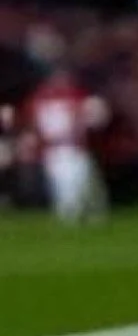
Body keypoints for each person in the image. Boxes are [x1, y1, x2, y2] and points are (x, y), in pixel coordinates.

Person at [26, 64, 108, 223]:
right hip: (58, 151)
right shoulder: (42, 100)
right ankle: (70, 218)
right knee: (66, 191)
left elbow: (95, 119)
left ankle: (90, 217)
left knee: (88, 187)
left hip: (75, 149)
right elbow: (39, 129)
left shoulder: (76, 97)